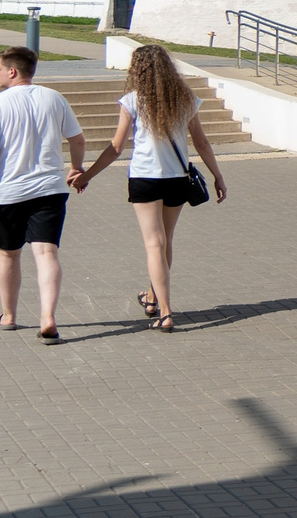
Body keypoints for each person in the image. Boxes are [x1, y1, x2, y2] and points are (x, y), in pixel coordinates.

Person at [76, 44, 227, 332]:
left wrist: (88, 175)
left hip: (145, 178)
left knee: (154, 243)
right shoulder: (185, 99)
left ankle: (166, 311)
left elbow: (116, 147)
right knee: (165, 240)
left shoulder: (133, 100)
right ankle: (152, 296)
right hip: (177, 179)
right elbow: (202, 142)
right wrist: (217, 176)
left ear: (138, 70)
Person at [0, 46, 85, 342]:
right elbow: (77, 138)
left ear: (12, 71)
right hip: (50, 189)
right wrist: (76, 167)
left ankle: (8, 316)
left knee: (8, 253)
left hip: (9, 192)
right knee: (47, 252)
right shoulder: (55, 97)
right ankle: (48, 316)